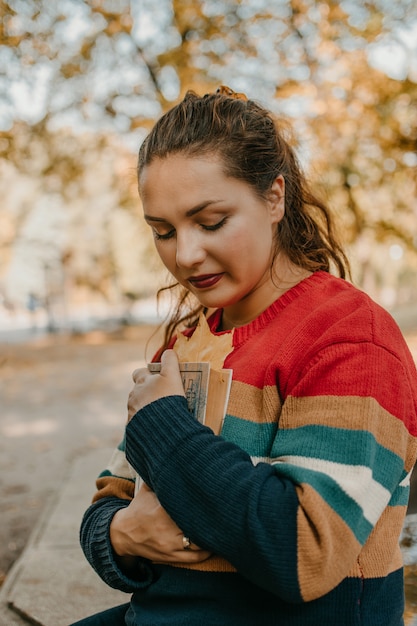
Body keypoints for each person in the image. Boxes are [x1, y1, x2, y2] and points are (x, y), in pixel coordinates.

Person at [72, 86, 417, 626]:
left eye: (210, 222)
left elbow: (304, 552)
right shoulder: (185, 341)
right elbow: (111, 500)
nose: (184, 256)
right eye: (162, 231)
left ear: (274, 197)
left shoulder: (351, 338)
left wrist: (164, 425)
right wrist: (122, 534)